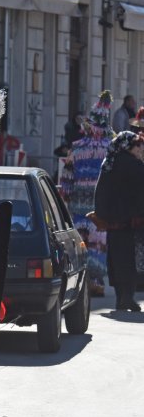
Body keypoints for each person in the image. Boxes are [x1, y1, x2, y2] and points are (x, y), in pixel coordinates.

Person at [60, 90, 114, 297]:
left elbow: (66, 180)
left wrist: (65, 199)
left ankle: (79, 281)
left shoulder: (77, 149)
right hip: (100, 207)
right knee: (98, 245)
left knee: (78, 244)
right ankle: (96, 281)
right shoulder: (111, 150)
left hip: (77, 207)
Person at [94, 131, 144, 311]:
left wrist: (102, 214)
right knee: (131, 260)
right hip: (132, 223)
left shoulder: (109, 163)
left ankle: (120, 298)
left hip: (113, 223)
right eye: (138, 145)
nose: (140, 149)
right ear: (128, 147)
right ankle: (127, 297)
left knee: (116, 259)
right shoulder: (136, 166)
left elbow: (100, 192)